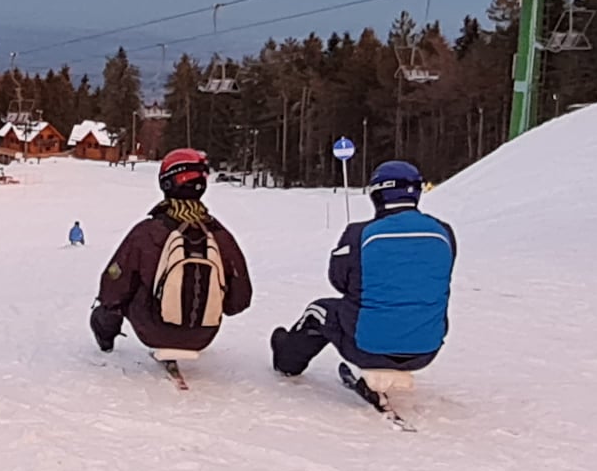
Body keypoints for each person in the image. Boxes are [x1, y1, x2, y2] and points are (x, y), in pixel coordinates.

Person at [270, 160, 455, 404]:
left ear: (378, 193)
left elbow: (338, 281)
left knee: (318, 310)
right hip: (426, 350)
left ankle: (287, 361)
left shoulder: (360, 233)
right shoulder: (444, 232)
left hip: (366, 347)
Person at [90, 148, 252, 356]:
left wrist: (109, 310)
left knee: (121, 285)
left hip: (151, 329)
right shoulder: (219, 235)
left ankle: (106, 337)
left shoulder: (147, 232)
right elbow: (239, 300)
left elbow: (114, 284)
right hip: (204, 335)